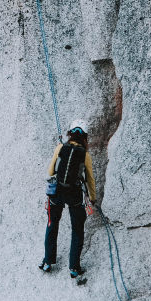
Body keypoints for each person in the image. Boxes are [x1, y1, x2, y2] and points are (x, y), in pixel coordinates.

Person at [39, 119, 96, 280]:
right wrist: (92, 198)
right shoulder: (85, 155)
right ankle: (74, 268)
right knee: (77, 229)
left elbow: (51, 171)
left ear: (70, 133)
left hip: (57, 192)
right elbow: (90, 179)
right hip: (74, 194)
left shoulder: (60, 147)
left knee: (52, 223)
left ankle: (47, 262)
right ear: (85, 136)